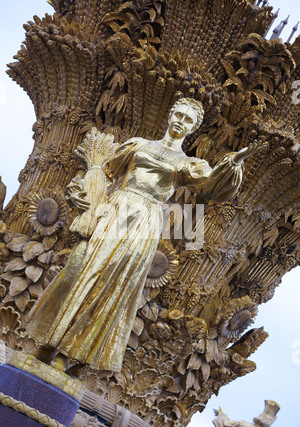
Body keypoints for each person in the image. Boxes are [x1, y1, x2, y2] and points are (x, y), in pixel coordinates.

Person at [26, 98, 264, 373]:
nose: (180, 122)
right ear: (170, 115)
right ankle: (50, 337)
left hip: (145, 220)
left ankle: (72, 353)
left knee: (114, 283)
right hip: (116, 208)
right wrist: (89, 194)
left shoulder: (187, 163)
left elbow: (212, 187)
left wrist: (235, 161)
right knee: (80, 268)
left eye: (188, 120)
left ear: (192, 129)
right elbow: (106, 170)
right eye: (178, 115)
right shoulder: (138, 144)